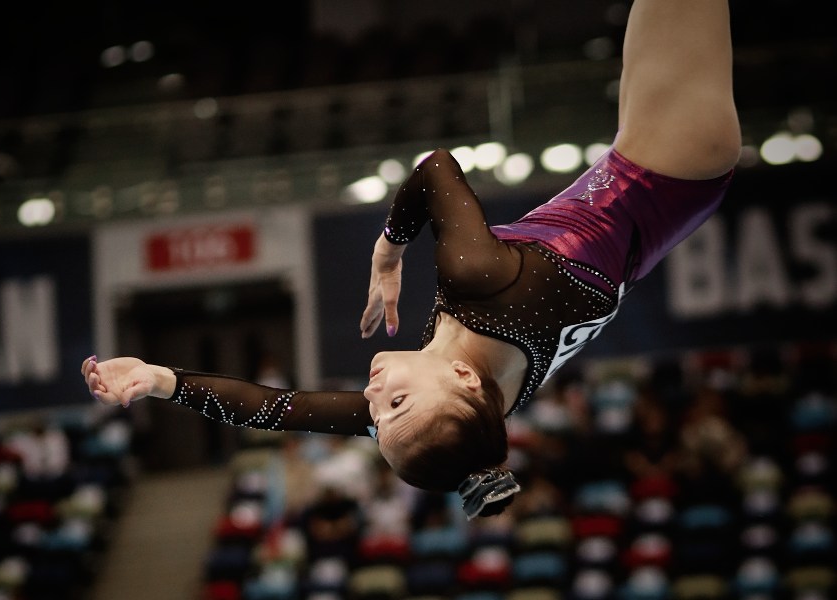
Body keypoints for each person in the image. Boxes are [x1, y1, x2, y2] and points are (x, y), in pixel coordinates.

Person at [81, 0, 741, 519]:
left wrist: (160, 380)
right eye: (393, 401)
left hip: (651, 182)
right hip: (669, 160)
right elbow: (435, 168)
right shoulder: (483, 285)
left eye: (377, 417)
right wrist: (390, 249)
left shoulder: (468, 404)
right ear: (463, 377)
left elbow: (274, 409)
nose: (371, 398)